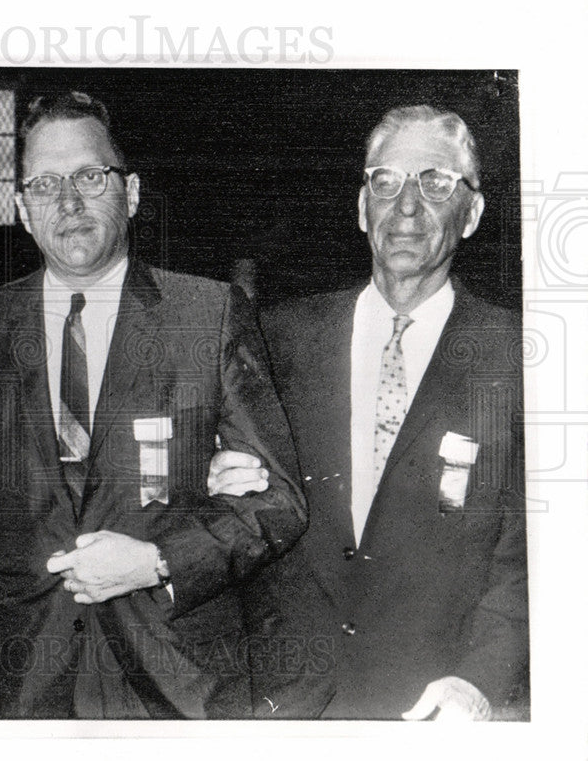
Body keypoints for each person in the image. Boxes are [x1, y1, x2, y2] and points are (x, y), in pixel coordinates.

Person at [0, 92, 306, 719]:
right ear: (21, 209)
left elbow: (280, 501)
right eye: (45, 184)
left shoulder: (207, 315)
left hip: (178, 689)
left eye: (89, 177)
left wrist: (158, 561)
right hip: (25, 691)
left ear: (129, 194)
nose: (68, 202)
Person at [209, 105, 528, 720]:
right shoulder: (275, 338)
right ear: (361, 206)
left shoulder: (518, 357)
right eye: (386, 180)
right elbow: (226, 520)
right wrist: (216, 476)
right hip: (283, 705)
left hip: (431, 708)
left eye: (436, 183)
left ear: (474, 213)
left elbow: (531, 553)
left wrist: (479, 681)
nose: (407, 206)